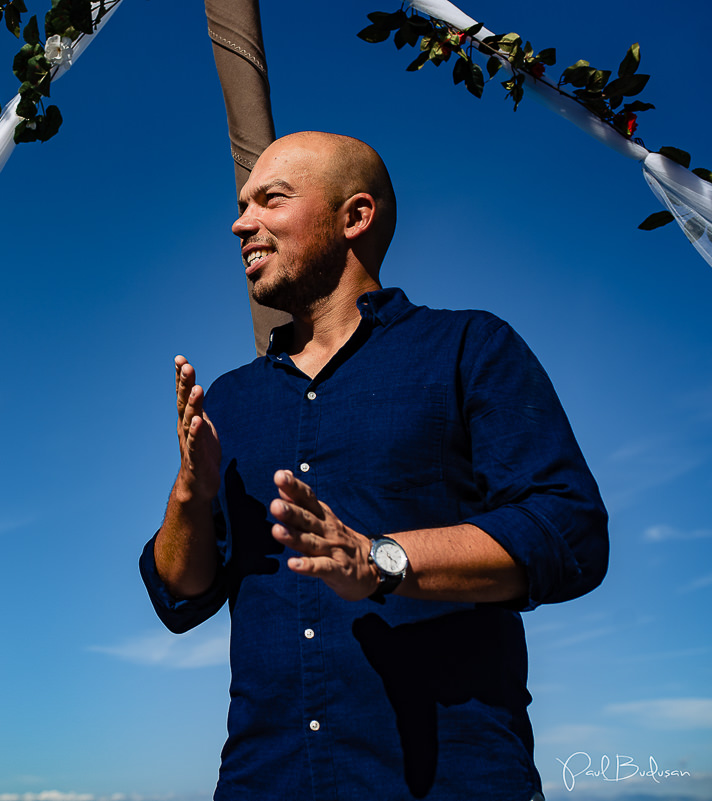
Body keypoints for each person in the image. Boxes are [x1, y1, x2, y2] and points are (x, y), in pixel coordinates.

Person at [140, 132, 608, 800]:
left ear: (355, 217)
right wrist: (192, 489)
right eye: (244, 205)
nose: (241, 222)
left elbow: (570, 531)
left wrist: (380, 559)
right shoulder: (233, 400)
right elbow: (181, 596)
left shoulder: (470, 348)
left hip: (453, 783)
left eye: (270, 200)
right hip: (263, 782)